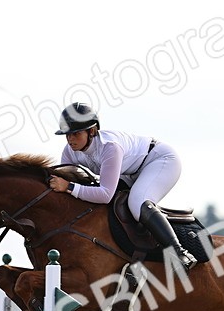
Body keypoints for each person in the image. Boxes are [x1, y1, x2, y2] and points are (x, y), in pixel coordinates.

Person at [47, 102, 197, 271]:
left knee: (137, 202)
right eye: (67, 134)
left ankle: (179, 253)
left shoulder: (110, 147)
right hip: (130, 171)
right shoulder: (69, 152)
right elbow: (64, 183)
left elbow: (104, 194)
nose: (70, 139)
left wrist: (69, 187)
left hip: (160, 160)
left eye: (76, 133)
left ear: (92, 131)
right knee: (109, 206)